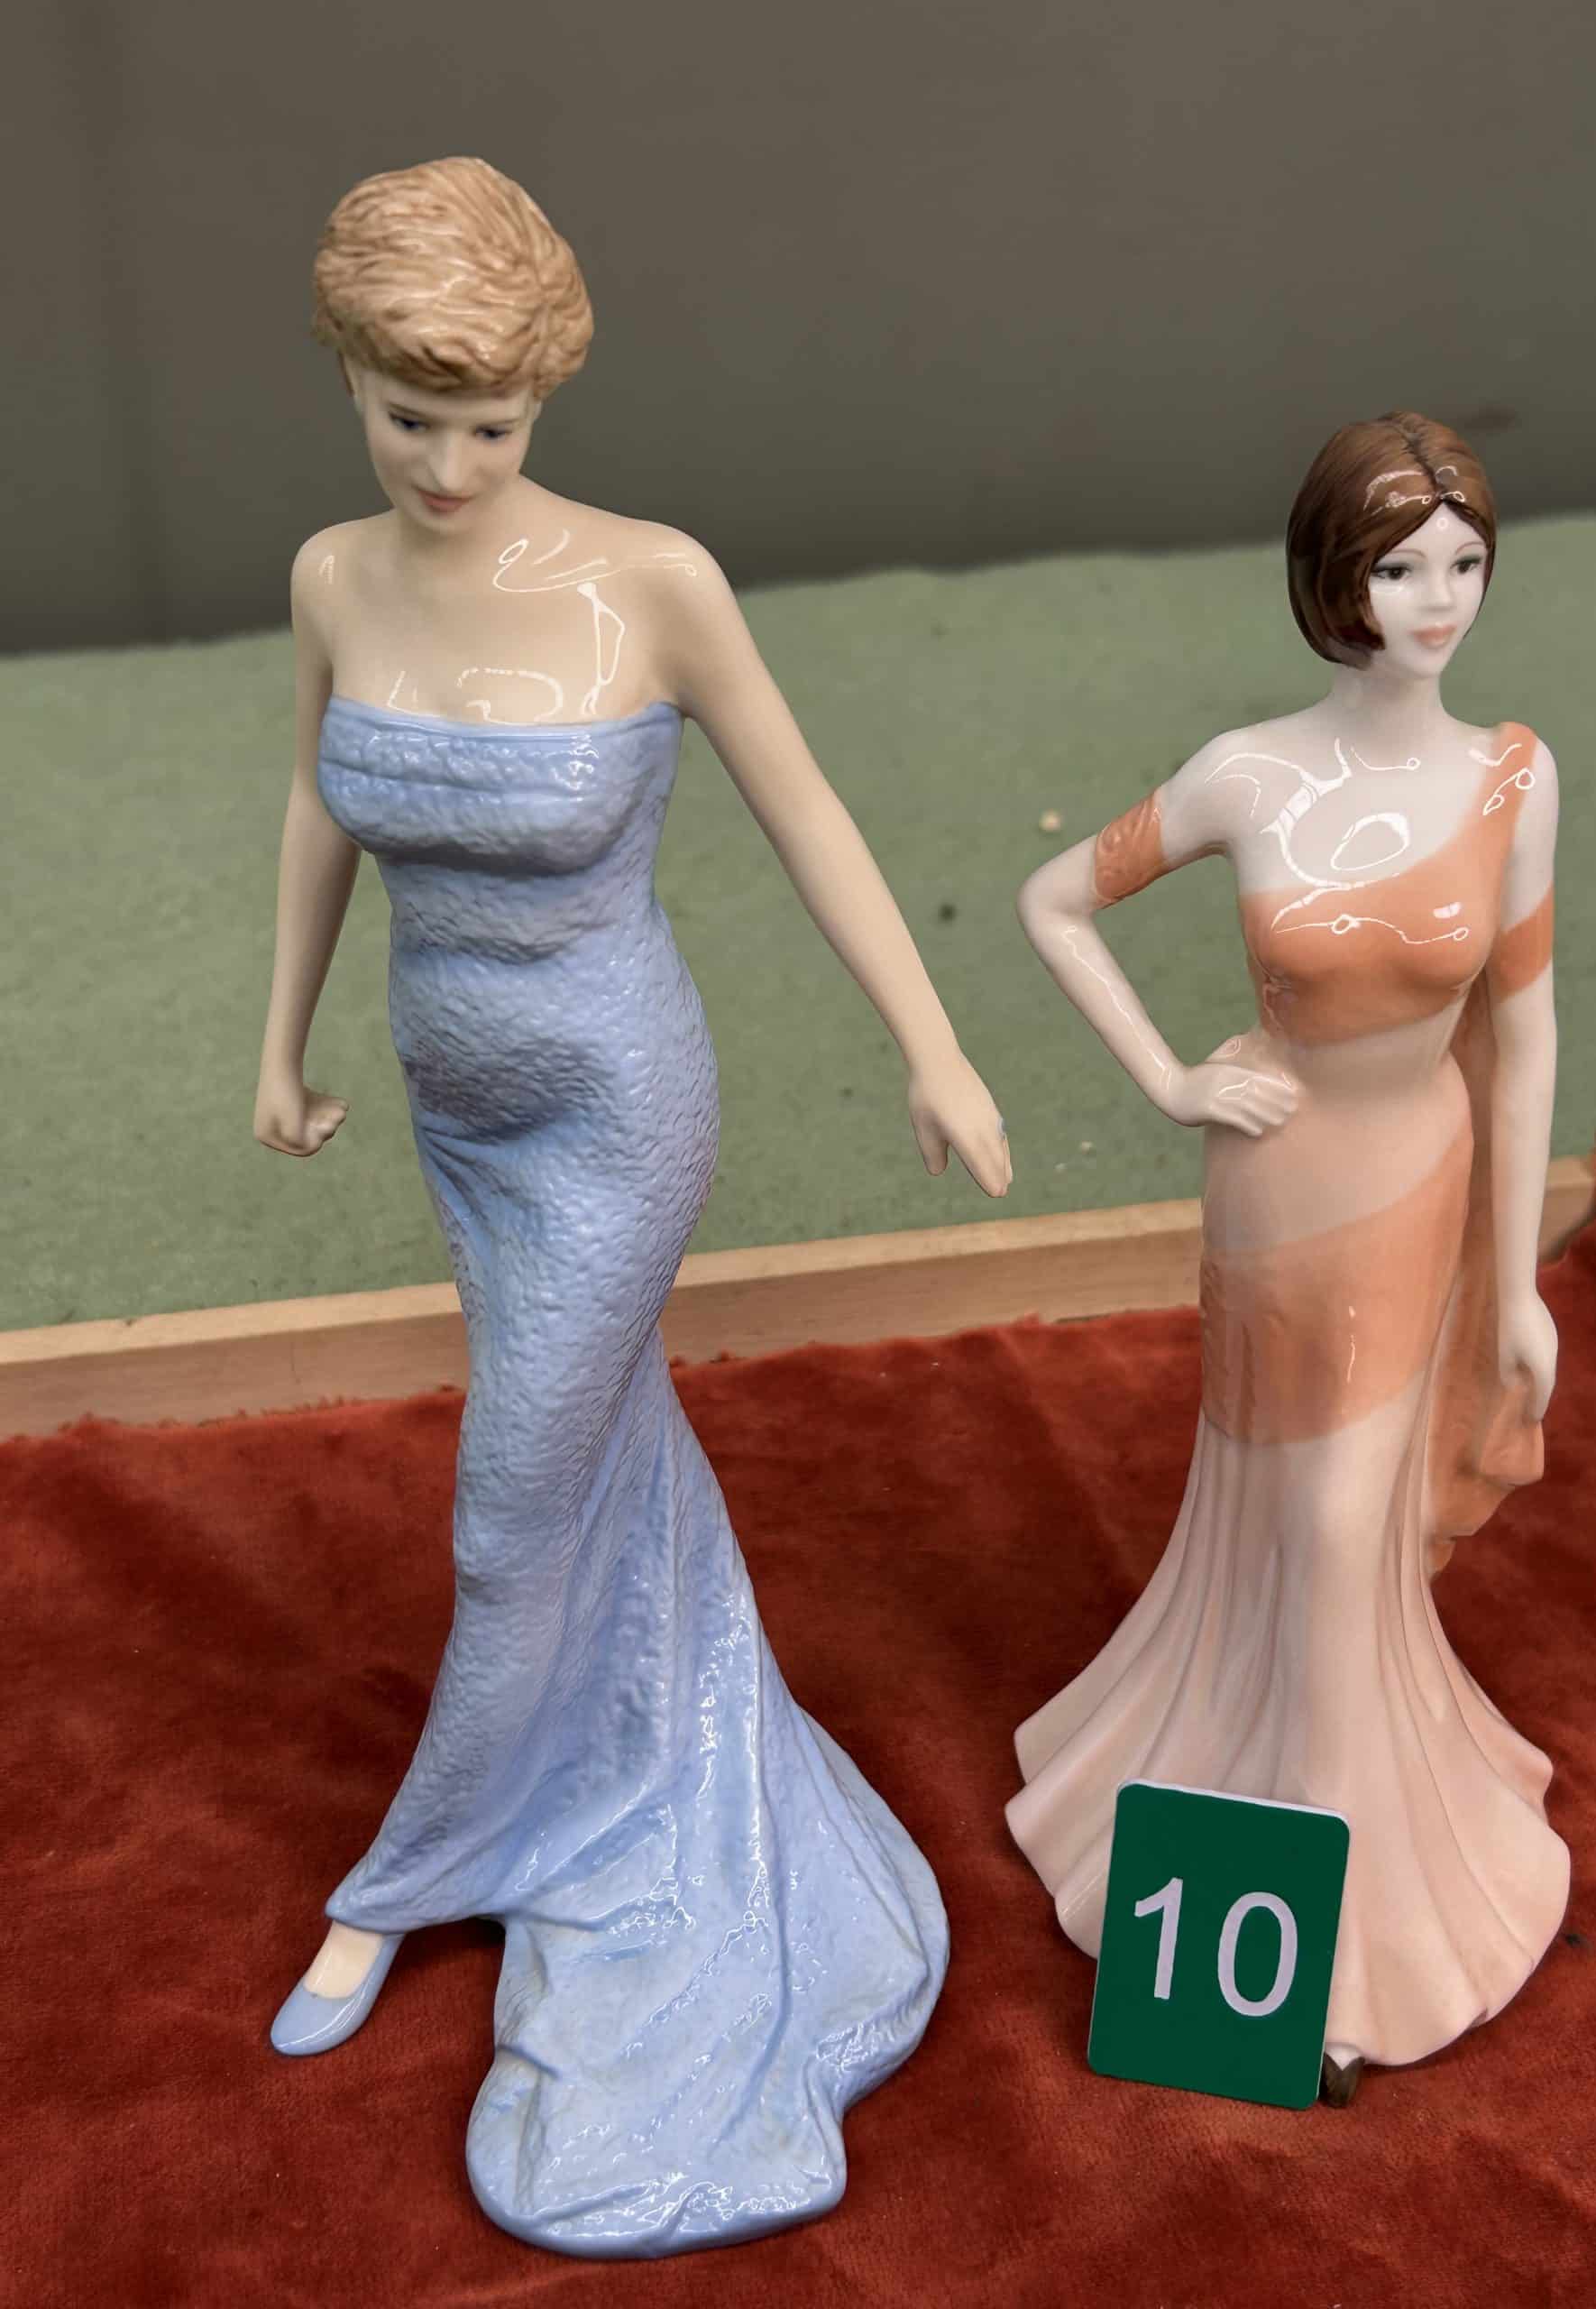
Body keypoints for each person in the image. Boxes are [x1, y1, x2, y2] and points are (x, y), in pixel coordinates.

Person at [253, 155, 1010, 2258]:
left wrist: (934, 1042)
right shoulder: (334, 578)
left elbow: (807, 807)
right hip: (457, 1114)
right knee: (598, 1459)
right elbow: (320, 805)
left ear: (547, 405)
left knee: (509, 1515)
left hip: (613, 1104)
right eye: (409, 416)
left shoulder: (651, 581)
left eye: (489, 425)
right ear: (349, 382)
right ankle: (624, 1742)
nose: (446, 465)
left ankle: (400, 1877)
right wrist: (278, 1036)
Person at [1006, 413, 1567, 2103]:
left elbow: (1528, 1033)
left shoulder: (1514, 777)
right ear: (1336, 579)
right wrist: (1171, 1079)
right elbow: (1052, 900)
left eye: (1464, 563)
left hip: (1417, 1178)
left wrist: (1518, 1281)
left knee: (1337, 1528)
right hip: (1271, 1188)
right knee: (1279, 1507)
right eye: (1401, 567)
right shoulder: (1248, 775)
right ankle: (1265, 1870)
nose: (1438, 599)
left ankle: (1307, 1940)